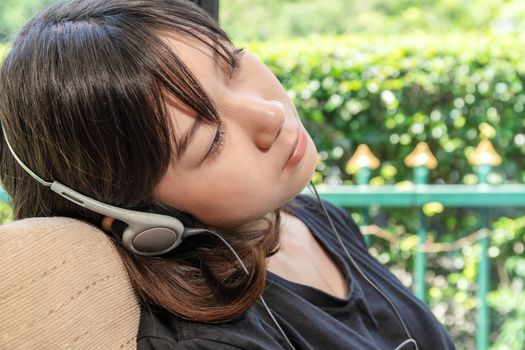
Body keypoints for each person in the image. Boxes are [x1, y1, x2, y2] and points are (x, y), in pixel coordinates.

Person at [0, 0, 455, 349]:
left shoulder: (312, 217)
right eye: (209, 141)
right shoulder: (212, 341)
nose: (270, 114)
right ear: (135, 216)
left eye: (233, 65)